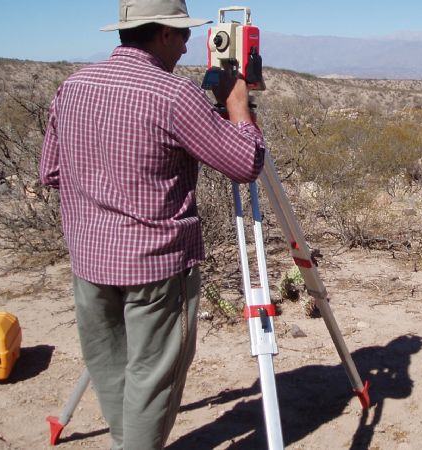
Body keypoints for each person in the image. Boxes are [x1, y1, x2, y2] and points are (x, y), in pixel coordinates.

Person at [38, 0, 265, 448]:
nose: (186, 46)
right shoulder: (173, 95)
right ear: (162, 34)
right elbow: (245, 163)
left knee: (110, 367)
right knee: (151, 378)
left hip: (89, 259)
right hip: (155, 267)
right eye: (182, 35)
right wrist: (238, 106)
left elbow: (50, 171)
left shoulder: (73, 86)